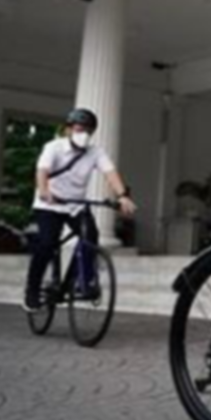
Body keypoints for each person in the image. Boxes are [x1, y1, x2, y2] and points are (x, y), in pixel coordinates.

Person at [23, 108, 137, 312]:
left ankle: (81, 280)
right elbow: (42, 171)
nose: (83, 133)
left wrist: (122, 196)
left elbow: (110, 173)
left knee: (90, 236)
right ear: (68, 130)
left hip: (75, 205)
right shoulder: (54, 147)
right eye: (78, 129)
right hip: (50, 203)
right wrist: (44, 191)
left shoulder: (96, 152)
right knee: (47, 243)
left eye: (87, 130)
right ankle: (32, 291)